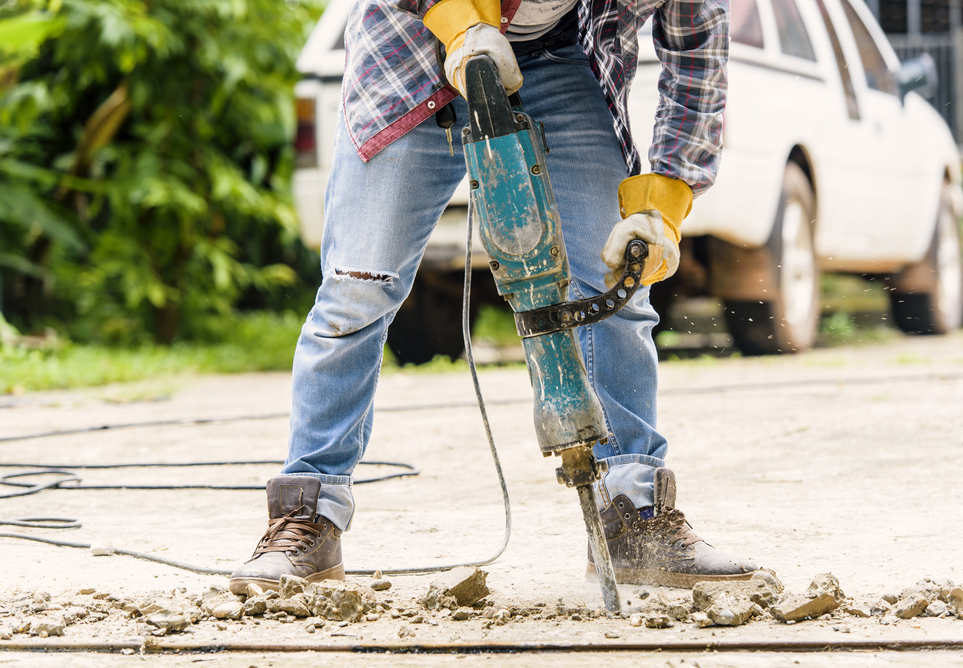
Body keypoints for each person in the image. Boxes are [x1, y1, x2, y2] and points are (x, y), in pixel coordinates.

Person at [229, 0, 758, 596]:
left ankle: (633, 517)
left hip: (559, 63)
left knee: (618, 287)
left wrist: (661, 207)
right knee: (357, 289)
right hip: (414, 56)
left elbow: (695, 57)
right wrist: (459, 22)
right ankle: (308, 516)